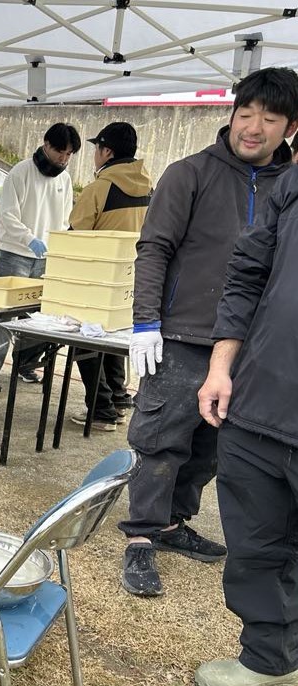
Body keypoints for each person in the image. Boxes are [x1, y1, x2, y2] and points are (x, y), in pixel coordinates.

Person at [119, 67, 298, 598]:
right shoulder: (189, 173)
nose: (254, 127)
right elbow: (154, 247)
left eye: (270, 118)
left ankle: (175, 521)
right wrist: (147, 320)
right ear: (231, 113)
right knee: (160, 439)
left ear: (290, 126)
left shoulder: (288, 186)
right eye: (246, 114)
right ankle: (141, 537)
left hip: (251, 345)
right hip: (183, 335)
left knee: (214, 446)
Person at [195, 160, 298, 686]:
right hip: (261, 399)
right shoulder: (292, 185)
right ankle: (269, 657)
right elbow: (248, 273)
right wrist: (220, 366)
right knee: (257, 543)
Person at [0, 123, 79, 392]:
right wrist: (29, 239)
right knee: (1, 314)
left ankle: (26, 365)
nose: (63, 159)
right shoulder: (21, 171)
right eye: (60, 152)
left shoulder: (64, 179)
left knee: (40, 315)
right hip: (15, 253)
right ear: (46, 145)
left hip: (46, 256)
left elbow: (64, 219)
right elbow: (6, 214)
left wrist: (57, 247)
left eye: (69, 154)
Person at [68, 122, 152, 432]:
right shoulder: (148, 185)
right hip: (133, 278)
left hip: (96, 278)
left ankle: (101, 409)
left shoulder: (100, 187)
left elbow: (76, 234)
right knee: (115, 336)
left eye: (96, 149)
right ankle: (117, 398)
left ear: (107, 151)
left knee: (84, 341)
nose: (94, 155)